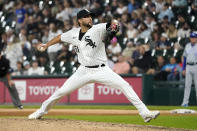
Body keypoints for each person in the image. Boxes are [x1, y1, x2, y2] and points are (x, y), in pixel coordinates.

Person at [28, 9, 159, 122]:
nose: (90, 18)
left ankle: (145, 113)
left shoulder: (98, 28)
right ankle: (41, 111)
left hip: (102, 70)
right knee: (61, 91)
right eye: (86, 16)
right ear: (79, 20)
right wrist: (46, 45)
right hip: (83, 71)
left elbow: (113, 26)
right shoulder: (73, 33)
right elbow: (60, 37)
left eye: (91, 16)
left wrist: (115, 26)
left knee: (125, 85)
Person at [0, 42, 23, 109]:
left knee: (12, 86)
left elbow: (8, 72)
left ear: (1, 54)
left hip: (4, 76)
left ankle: (18, 105)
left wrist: (10, 80)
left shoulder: (6, 61)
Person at [181, 32, 197, 107]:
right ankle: (185, 102)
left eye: (194, 37)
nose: (193, 38)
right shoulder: (187, 46)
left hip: (195, 65)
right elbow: (184, 57)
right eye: (192, 37)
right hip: (188, 66)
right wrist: (183, 68)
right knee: (187, 85)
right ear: (190, 38)